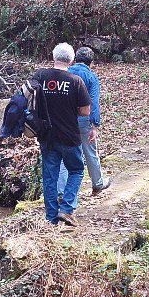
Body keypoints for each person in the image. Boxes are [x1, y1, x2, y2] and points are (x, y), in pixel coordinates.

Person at [33, 43, 90, 226]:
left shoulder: (40, 76)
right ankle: (66, 209)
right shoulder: (75, 81)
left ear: (53, 57)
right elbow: (85, 111)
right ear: (72, 60)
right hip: (69, 136)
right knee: (77, 170)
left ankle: (51, 218)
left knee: (50, 177)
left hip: (47, 136)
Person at [58, 47, 111, 207]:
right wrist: (95, 125)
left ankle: (61, 192)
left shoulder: (65, 73)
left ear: (75, 60)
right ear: (91, 63)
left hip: (65, 120)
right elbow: (93, 102)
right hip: (84, 120)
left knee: (64, 156)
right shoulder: (91, 77)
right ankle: (98, 183)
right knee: (90, 152)